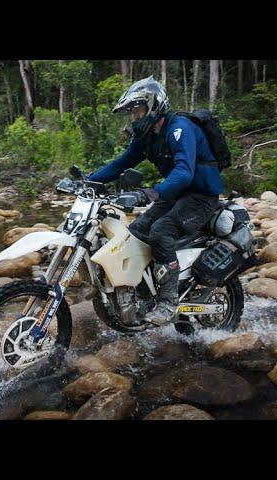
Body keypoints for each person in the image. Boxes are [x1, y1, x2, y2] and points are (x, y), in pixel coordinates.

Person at [87, 76, 224, 326]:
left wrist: (152, 192)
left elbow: (184, 172)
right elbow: (121, 163)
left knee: (161, 231)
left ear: (153, 105)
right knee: (136, 232)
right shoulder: (147, 137)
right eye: (131, 112)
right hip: (176, 195)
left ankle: (168, 302)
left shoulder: (180, 128)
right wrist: (90, 181)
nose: (134, 117)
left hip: (201, 197)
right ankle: (143, 292)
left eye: (136, 110)